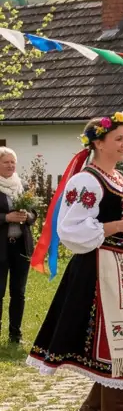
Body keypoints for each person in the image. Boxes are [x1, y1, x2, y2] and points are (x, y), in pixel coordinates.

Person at [28, 113, 123, 411]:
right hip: (103, 272)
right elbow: (70, 230)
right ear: (98, 143)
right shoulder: (87, 181)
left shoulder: (119, 178)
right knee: (121, 350)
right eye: (118, 138)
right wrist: (120, 226)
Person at [0, 147, 36, 345]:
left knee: (18, 292)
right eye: (6, 162)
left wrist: (26, 216)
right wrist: (6, 217)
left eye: (12, 162)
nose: (10, 165)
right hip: (1, 247)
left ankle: (15, 334)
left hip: (21, 247)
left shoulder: (22, 185)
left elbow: (34, 214)